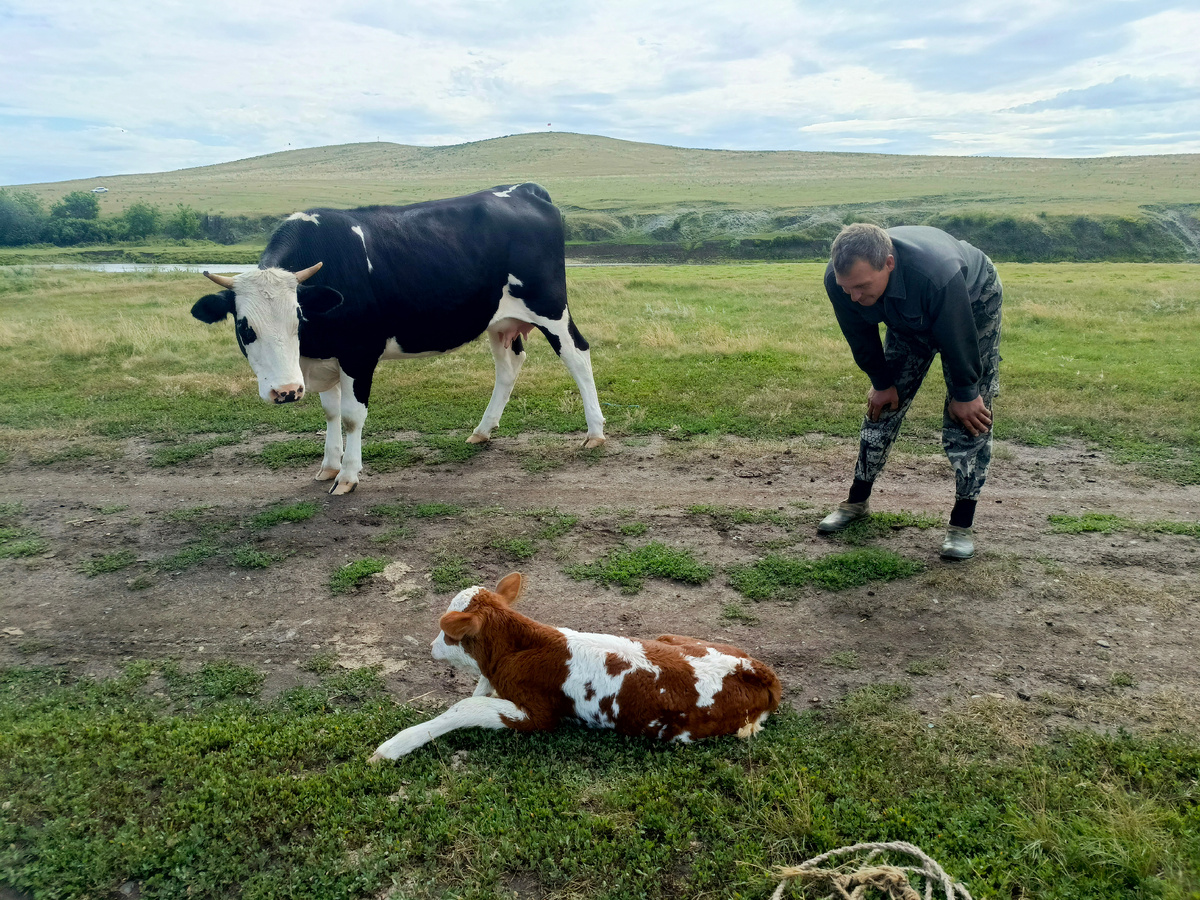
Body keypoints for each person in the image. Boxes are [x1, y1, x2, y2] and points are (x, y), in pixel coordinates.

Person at [819, 223, 1003, 560]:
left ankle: (961, 525)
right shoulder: (841, 282)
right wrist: (881, 381)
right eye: (848, 289)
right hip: (907, 315)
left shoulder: (936, 274)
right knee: (881, 409)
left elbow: (957, 335)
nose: (854, 297)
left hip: (971, 302)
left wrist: (965, 390)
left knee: (968, 414)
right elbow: (858, 334)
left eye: (861, 287)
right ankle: (856, 502)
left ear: (888, 263)